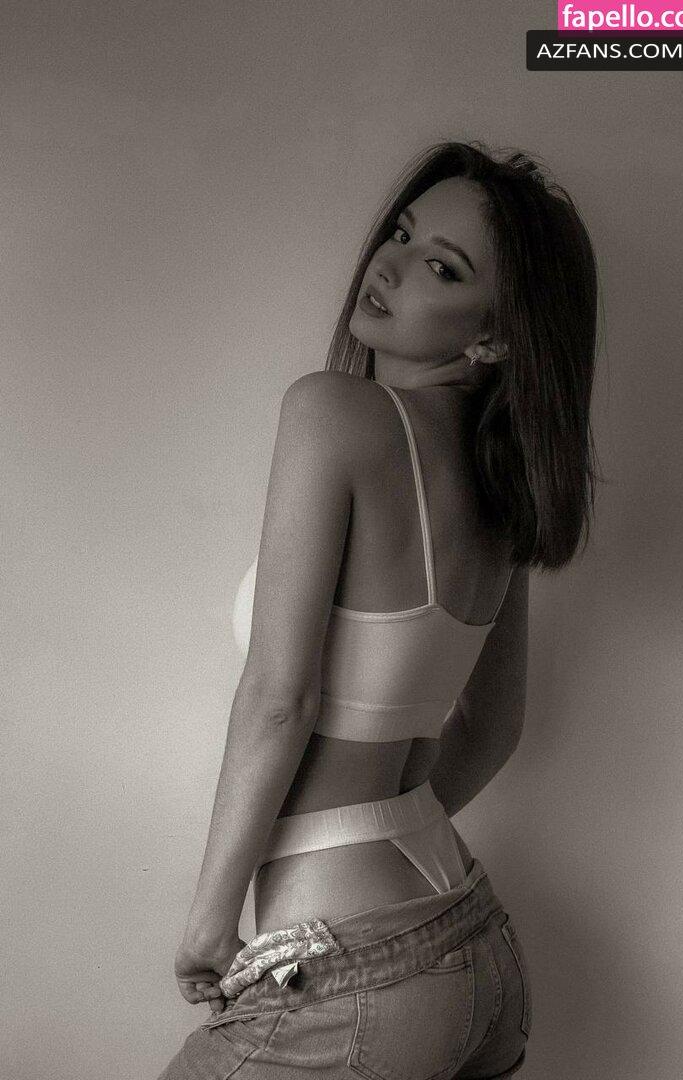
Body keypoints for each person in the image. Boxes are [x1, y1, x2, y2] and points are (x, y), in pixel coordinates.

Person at [158, 140, 599, 1079]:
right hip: (474, 947)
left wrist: (210, 920)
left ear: (496, 338)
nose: (391, 265)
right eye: (401, 234)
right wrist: (377, 828)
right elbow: (495, 727)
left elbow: (280, 700)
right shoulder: (505, 480)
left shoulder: (334, 413)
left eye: (444, 266)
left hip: (352, 975)